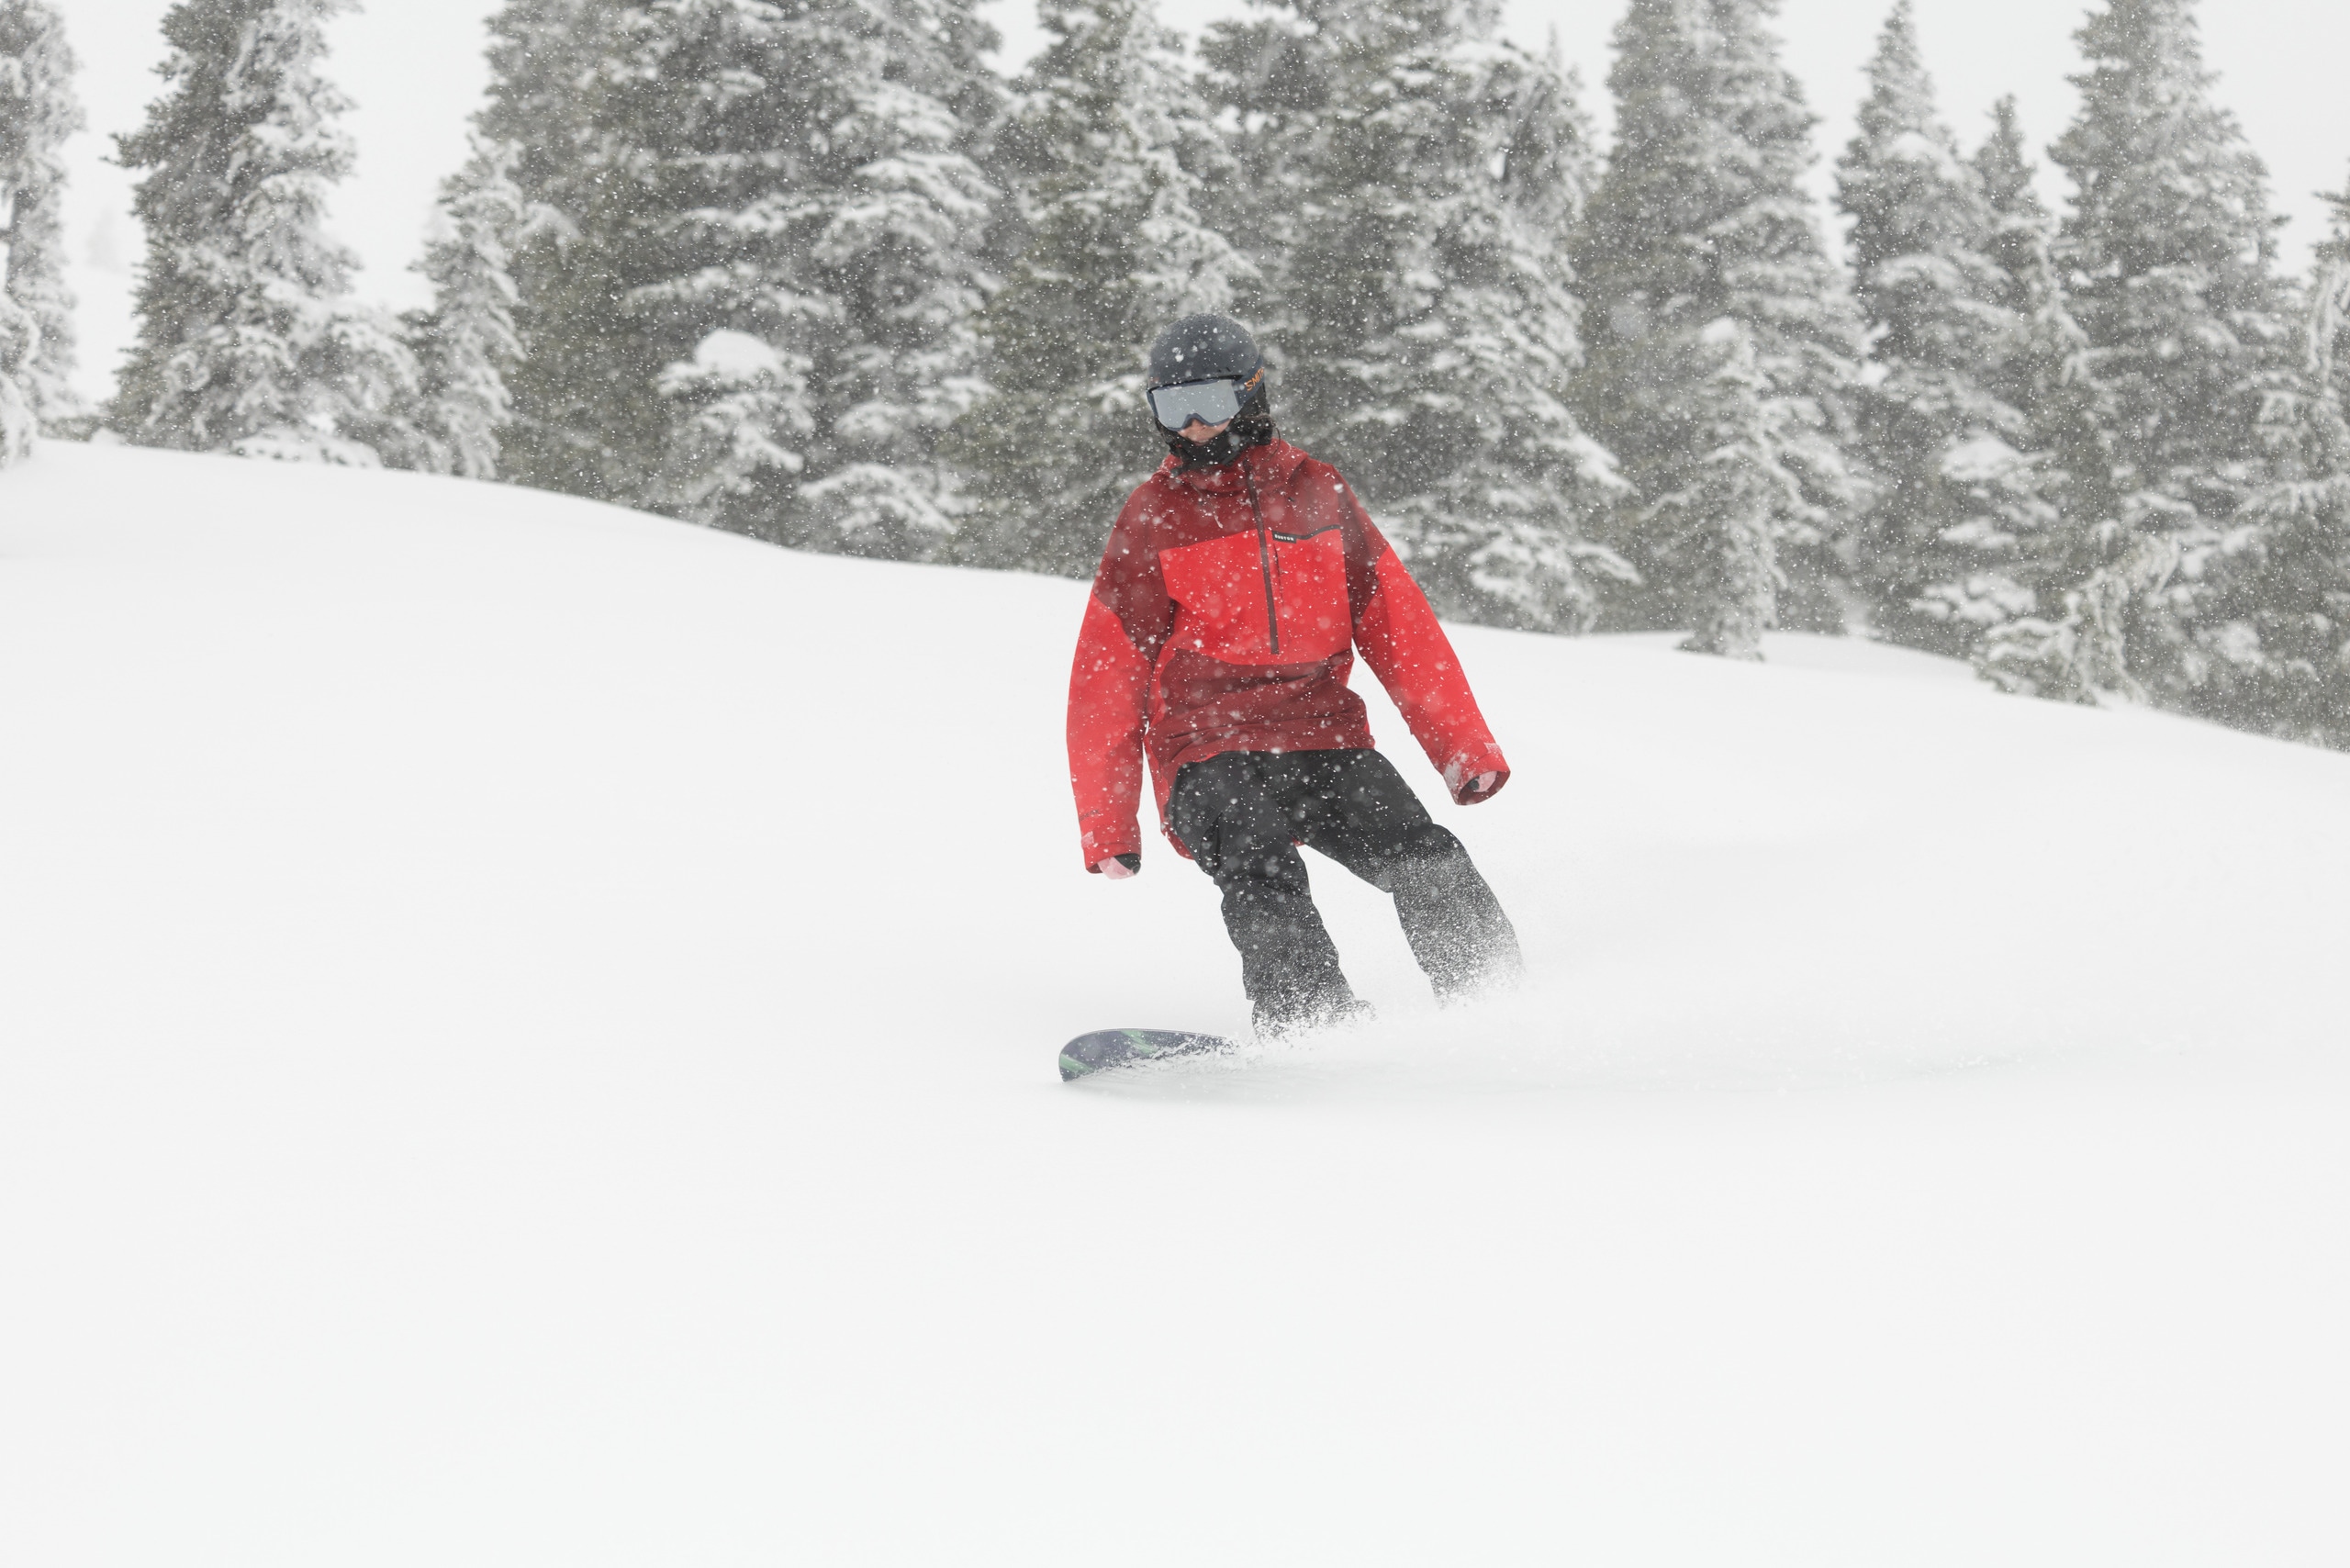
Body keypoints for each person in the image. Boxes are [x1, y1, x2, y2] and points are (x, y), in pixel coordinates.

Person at [1066, 313, 1522, 1035]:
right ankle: (1310, 1018)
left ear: (1250, 396)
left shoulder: (1319, 493)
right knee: (1259, 859)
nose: (1191, 427)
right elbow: (1107, 674)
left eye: (1210, 403)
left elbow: (1398, 627)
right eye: (1170, 406)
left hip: (1321, 735)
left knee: (1422, 851)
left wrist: (1462, 748)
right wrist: (1108, 824)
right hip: (1204, 747)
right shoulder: (1154, 516)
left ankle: (1497, 999)